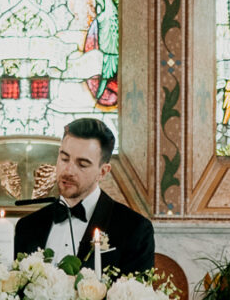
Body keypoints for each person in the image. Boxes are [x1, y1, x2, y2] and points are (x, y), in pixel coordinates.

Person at [14, 116, 153, 278]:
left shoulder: (135, 229)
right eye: (64, 158)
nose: (68, 170)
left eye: (82, 164)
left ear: (103, 172)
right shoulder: (27, 226)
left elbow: (135, 298)